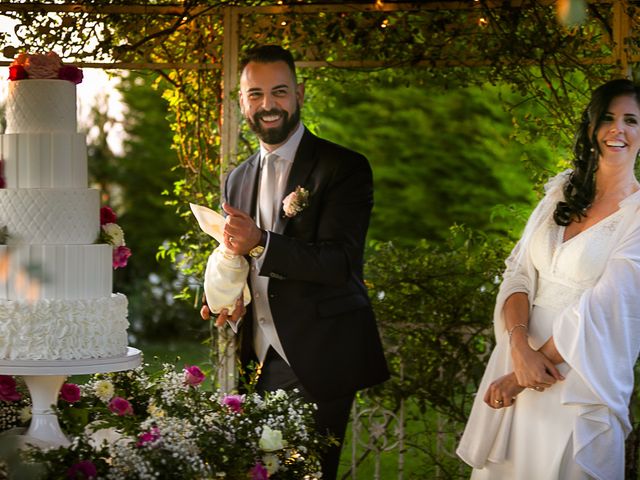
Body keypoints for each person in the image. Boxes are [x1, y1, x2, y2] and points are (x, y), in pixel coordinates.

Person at [200, 44, 389, 480]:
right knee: (261, 471)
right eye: (256, 94)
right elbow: (237, 253)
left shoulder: (343, 167)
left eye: (279, 92)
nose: (268, 105)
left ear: (299, 93)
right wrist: (228, 296)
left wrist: (263, 240)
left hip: (320, 354)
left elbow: (339, 262)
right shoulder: (237, 177)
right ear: (241, 99)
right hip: (260, 357)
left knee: (306, 474)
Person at [457, 78, 640, 479]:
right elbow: (518, 272)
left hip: (578, 376)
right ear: (592, 128)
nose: (618, 130)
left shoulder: (638, 216)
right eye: (608, 118)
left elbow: (606, 306)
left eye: (631, 120)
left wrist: (527, 374)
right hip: (517, 360)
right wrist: (519, 348)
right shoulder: (559, 194)